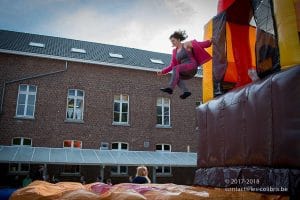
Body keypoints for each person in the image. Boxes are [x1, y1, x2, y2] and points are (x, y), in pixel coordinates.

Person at [157, 30, 212, 99]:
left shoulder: (186, 44)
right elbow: (172, 65)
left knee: (176, 69)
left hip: (192, 66)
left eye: (173, 40)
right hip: (185, 71)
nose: (172, 42)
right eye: (171, 41)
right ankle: (186, 92)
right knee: (176, 76)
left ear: (179, 39)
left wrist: (210, 42)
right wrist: (162, 72)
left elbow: (201, 44)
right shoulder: (174, 51)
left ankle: (170, 88)